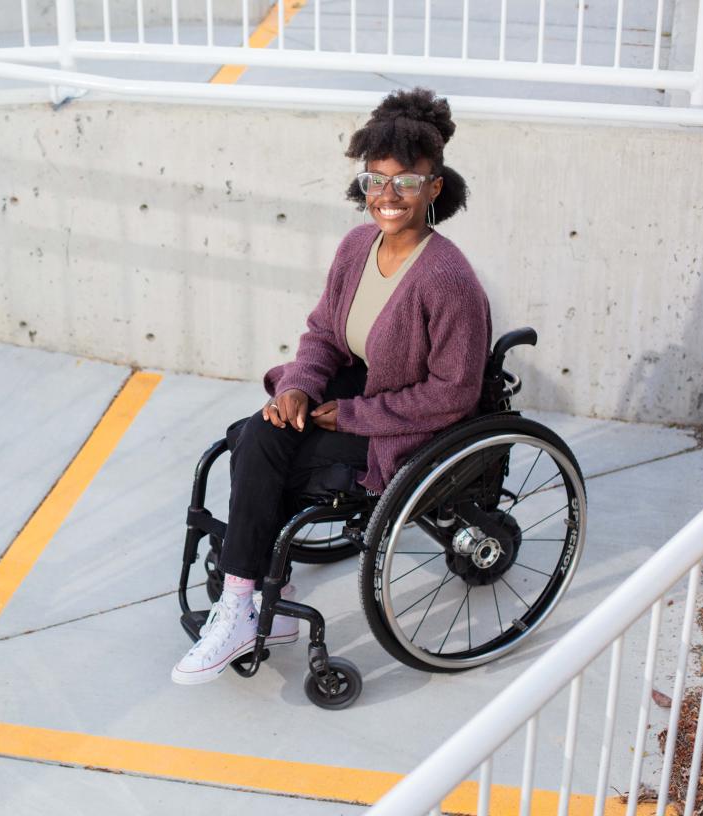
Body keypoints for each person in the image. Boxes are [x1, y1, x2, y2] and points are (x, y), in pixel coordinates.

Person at [172, 87, 492, 685]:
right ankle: (249, 600)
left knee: (268, 459)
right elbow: (324, 332)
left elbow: (453, 394)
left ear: (435, 187)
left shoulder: (448, 279)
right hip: (354, 391)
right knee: (260, 431)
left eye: (406, 181)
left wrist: (352, 415)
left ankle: (245, 602)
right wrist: (296, 387)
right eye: (376, 179)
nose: (388, 196)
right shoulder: (355, 247)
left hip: (406, 426)